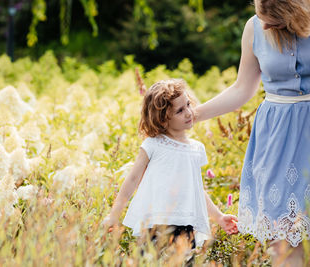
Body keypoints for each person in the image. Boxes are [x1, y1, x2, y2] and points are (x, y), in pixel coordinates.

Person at [194, 0, 310, 265]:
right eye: (261, 16)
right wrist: (194, 115)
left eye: (273, 19)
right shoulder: (254, 28)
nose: (265, 24)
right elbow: (241, 89)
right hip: (275, 140)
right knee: (282, 236)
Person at [103, 79, 238, 263]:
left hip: (185, 224)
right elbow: (132, 179)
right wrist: (114, 215)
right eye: (179, 111)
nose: (189, 113)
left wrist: (219, 217)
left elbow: (197, 190)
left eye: (188, 105)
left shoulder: (195, 149)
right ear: (162, 119)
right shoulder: (153, 145)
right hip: (154, 223)